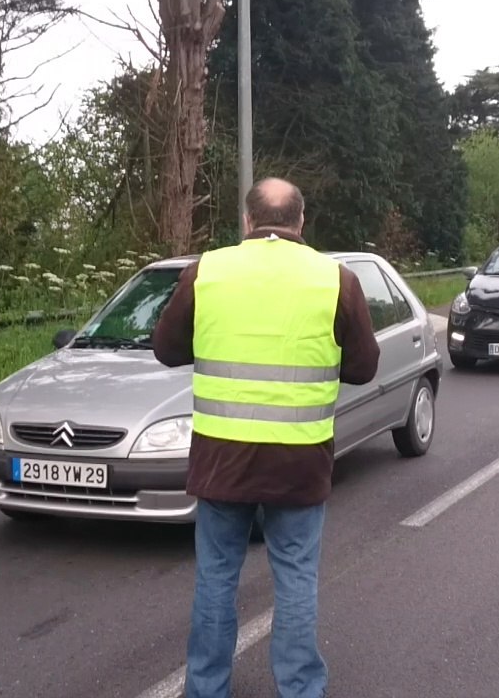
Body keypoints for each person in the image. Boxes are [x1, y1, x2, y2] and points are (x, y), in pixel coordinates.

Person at [152, 178, 380, 698]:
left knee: (216, 577)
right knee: (296, 576)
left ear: (248, 221)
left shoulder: (205, 272)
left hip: (221, 460)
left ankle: (206, 690)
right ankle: (300, 689)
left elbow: (166, 350)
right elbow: (365, 369)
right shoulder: (335, 278)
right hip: (300, 462)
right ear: (301, 221)